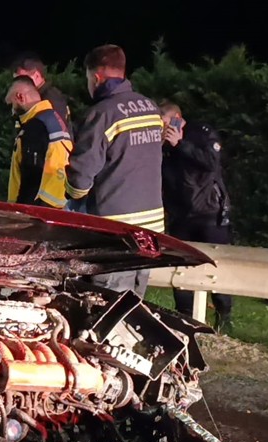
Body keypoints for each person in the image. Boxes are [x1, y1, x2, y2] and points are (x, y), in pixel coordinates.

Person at [65, 44, 165, 296]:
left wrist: (73, 195)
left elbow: (81, 177)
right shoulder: (150, 108)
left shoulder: (102, 114)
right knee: (134, 305)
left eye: (88, 79)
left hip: (116, 229)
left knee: (106, 304)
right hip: (151, 229)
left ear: (96, 77)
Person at [159, 102, 235, 332]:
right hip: (180, 215)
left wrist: (181, 144)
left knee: (217, 265)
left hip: (209, 212)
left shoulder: (200, 133)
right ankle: (185, 318)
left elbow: (212, 163)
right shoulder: (162, 144)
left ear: (177, 118)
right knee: (181, 266)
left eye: (164, 123)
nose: (162, 128)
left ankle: (224, 315)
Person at [4, 77, 72, 208]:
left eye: (12, 104)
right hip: (52, 207)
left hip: (38, 211)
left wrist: (23, 210)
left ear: (20, 97)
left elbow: (34, 176)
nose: (12, 111)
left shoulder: (37, 127)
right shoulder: (50, 119)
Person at [10, 52, 70, 128]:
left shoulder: (52, 100)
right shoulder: (36, 97)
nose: (18, 86)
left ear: (37, 76)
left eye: (22, 79)